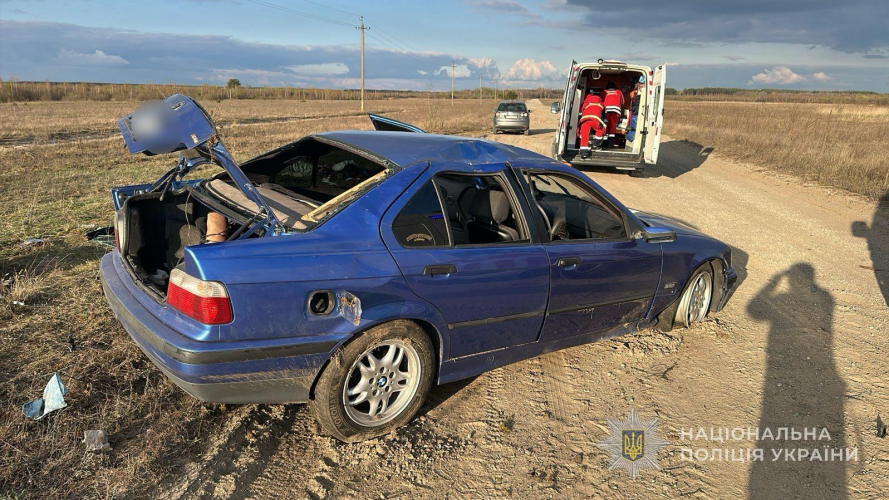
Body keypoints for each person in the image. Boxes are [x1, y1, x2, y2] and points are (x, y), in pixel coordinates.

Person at [577, 91, 605, 158]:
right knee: (600, 130)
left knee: (584, 135)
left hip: (585, 119)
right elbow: (603, 115)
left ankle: (583, 153)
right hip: (595, 119)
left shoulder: (585, 103)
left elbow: (581, 112)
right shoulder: (602, 104)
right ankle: (595, 145)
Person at [601, 82, 625, 147]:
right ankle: (610, 144)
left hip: (606, 111)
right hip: (615, 112)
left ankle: (604, 144)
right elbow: (623, 102)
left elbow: (601, 101)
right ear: (615, 87)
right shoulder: (619, 91)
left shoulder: (604, 91)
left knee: (605, 126)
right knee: (613, 127)